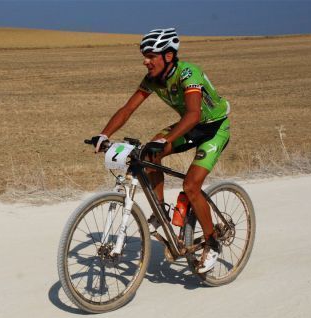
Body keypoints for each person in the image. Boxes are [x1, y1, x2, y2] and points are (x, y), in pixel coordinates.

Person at [91, 28, 230, 273]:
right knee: (147, 155)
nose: (145, 60)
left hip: (213, 128)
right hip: (190, 126)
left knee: (191, 186)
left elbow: (194, 114)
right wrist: (104, 134)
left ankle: (213, 243)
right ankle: (161, 213)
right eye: (144, 55)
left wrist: (168, 141)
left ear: (168, 56)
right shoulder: (153, 79)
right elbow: (127, 109)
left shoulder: (188, 73)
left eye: (151, 55)